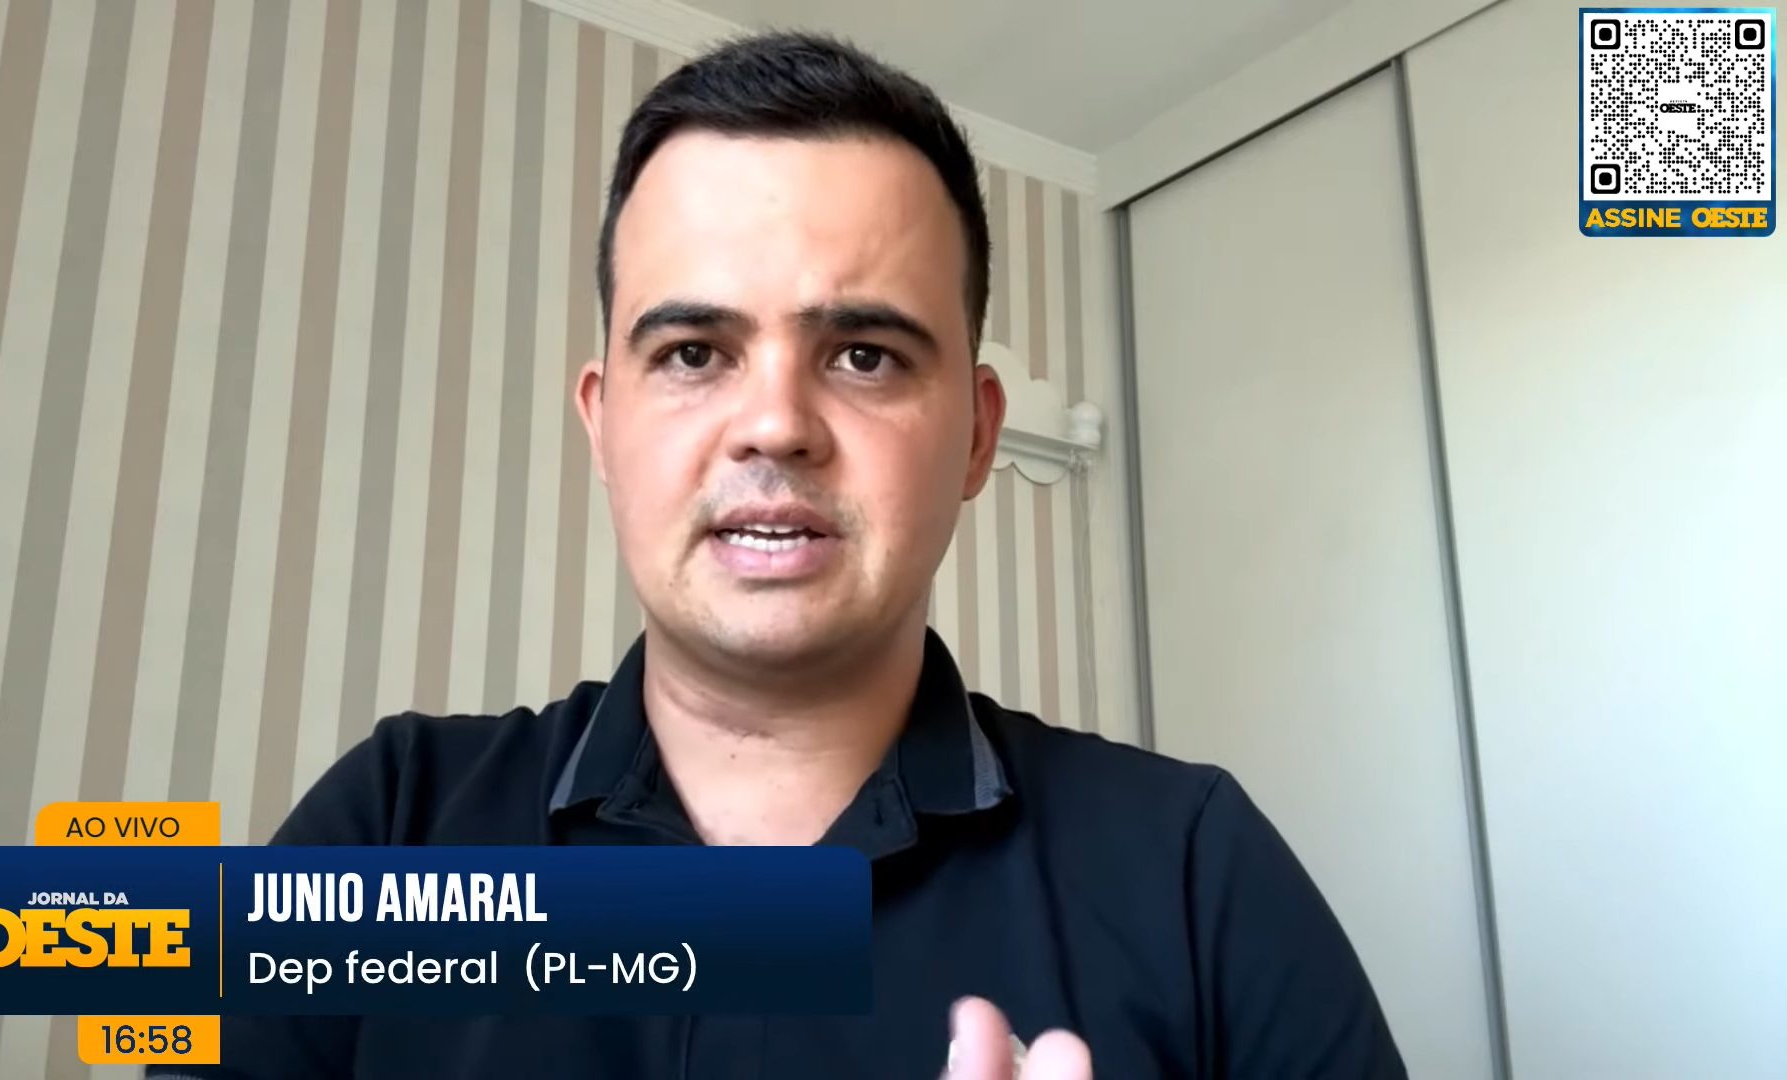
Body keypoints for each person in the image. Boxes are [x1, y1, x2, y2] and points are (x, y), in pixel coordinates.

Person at [160, 31, 1403, 1080]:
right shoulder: (388, 825)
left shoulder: (1193, 867)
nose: (775, 425)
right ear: (603, 424)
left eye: (863, 355)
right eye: (694, 353)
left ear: (976, 435)